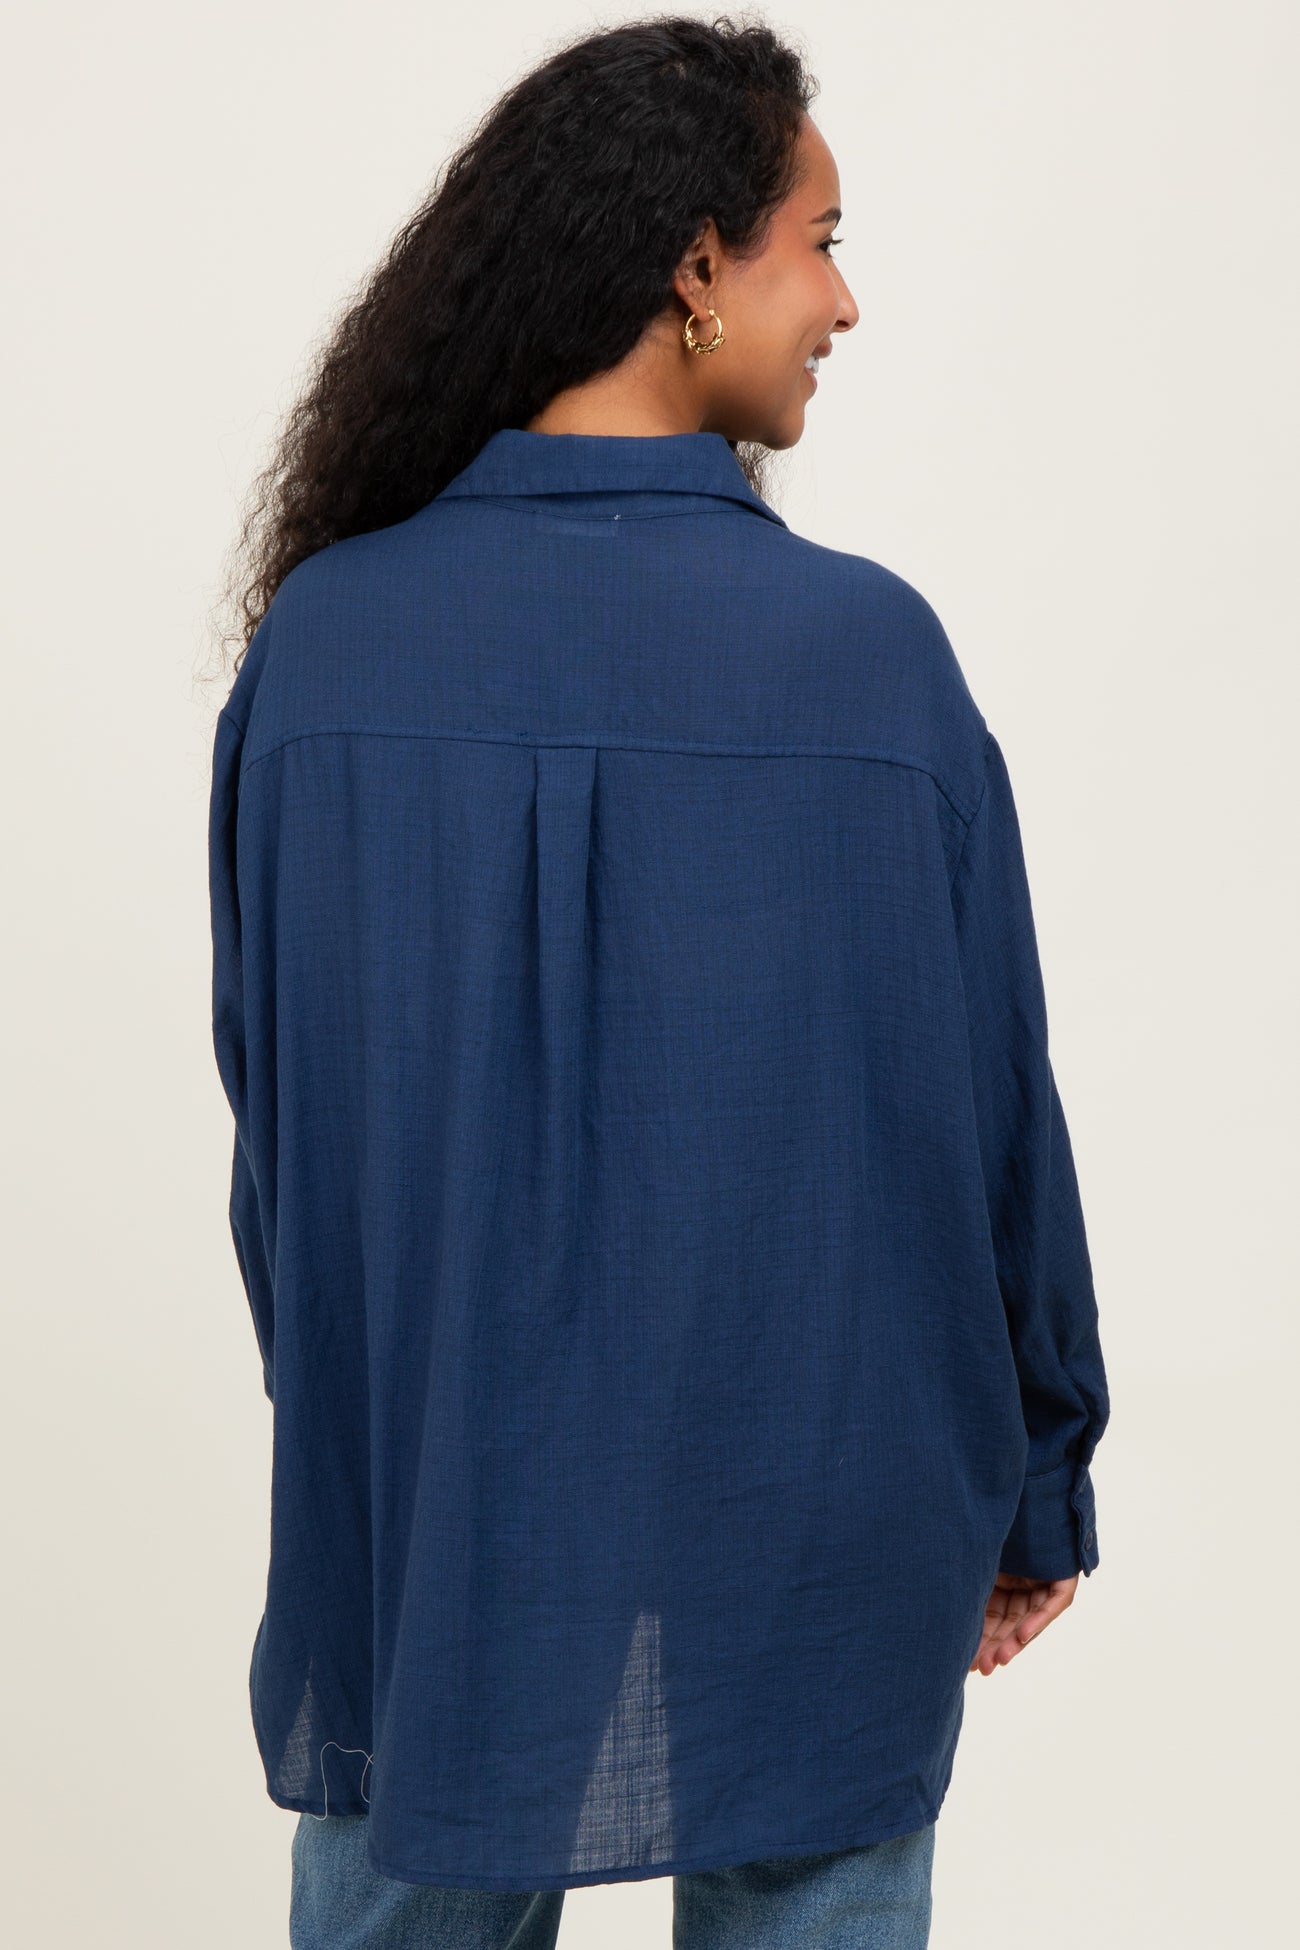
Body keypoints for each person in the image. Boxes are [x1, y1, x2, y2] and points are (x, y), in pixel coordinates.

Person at [207, 16, 1111, 1948]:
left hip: (431, 1516)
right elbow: (994, 1119)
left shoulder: (325, 651)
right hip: (828, 1510)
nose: (845, 302)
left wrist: (387, 1419)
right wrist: (1039, 1475)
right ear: (698, 264)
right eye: (821, 242)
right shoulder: (869, 659)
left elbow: (283, 1138)